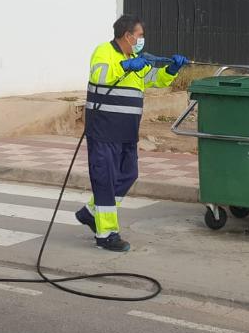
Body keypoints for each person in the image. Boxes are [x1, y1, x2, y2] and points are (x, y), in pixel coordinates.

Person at [75, 14, 188, 251]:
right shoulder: (104, 51)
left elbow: (153, 80)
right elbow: (100, 75)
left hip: (126, 131)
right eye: (140, 35)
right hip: (104, 129)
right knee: (105, 179)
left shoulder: (135, 58)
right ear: (127, 35)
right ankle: (106, 235)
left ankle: (91, 212)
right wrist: (124, 66)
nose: (142, 40)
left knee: (128, 175)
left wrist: (171, 69)